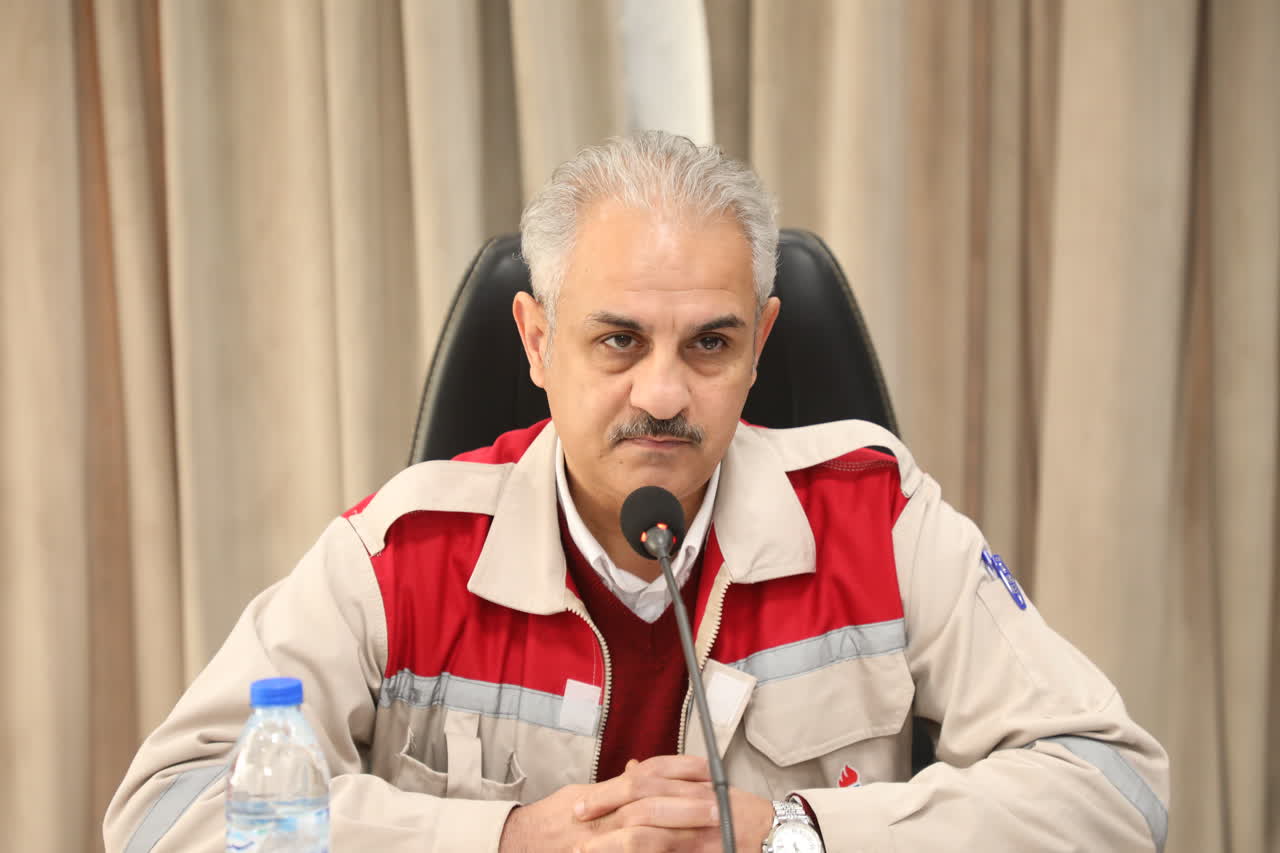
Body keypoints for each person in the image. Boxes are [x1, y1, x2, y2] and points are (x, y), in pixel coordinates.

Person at [105, 131, 1169, 852]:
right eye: (617, 340)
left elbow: (1111, 784)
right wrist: (504, 840)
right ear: (536, 341)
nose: (662, 394)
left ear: (759, 345)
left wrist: (793, 832)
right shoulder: (403, 553)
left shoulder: (876, 519)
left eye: (709, 343)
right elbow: (165, 811)